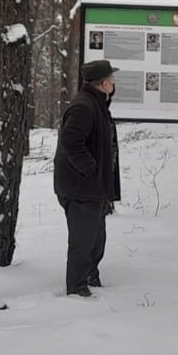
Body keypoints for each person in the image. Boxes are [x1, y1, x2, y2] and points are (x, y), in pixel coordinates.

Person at [53, 59, 121, 296]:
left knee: (95, 239)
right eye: (112, 79)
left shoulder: (97, 103)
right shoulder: (84, 106)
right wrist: (90, 169)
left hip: (92, 188)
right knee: (83, 241)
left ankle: (91, 277)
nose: (114, 82)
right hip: (80, 188)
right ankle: (77, 287)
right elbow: (71, 141)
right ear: (103, 83)